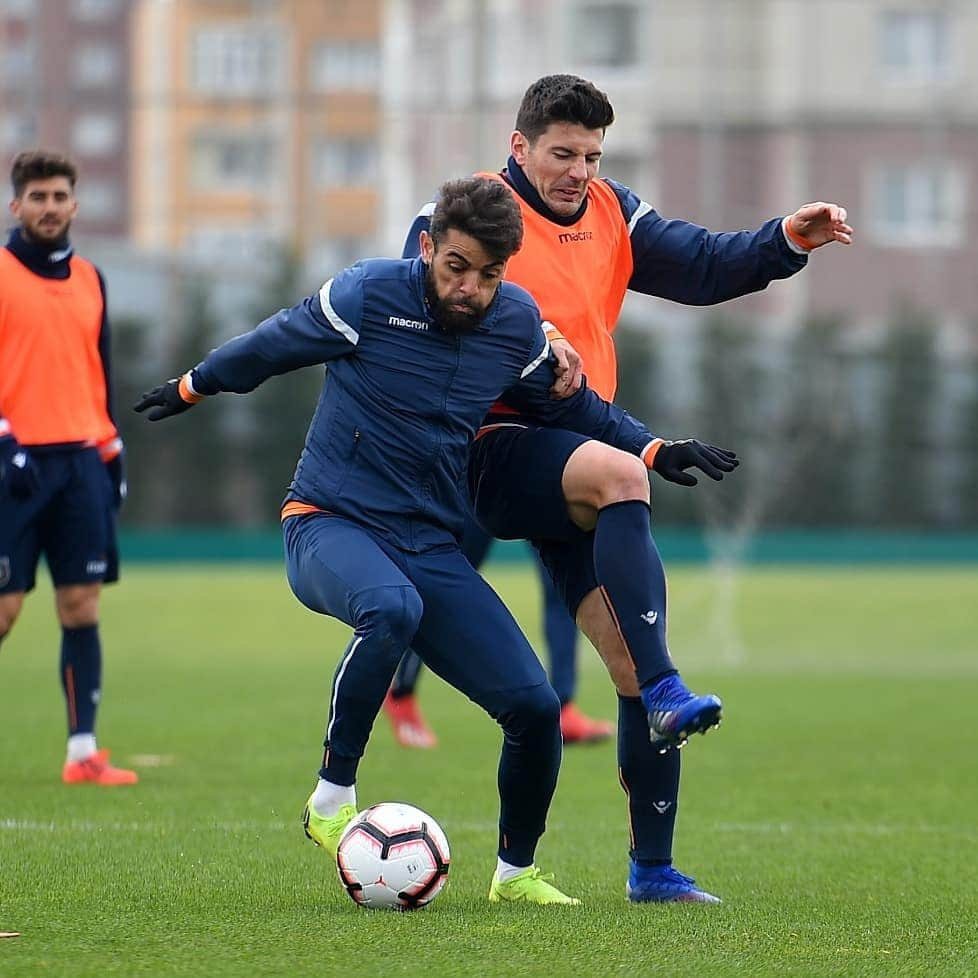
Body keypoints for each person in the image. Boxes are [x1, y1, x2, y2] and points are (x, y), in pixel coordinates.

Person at [135, 176, 735, 905]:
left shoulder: (514, 322)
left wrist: (653, 450)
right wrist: (193, 386)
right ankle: (331, 800)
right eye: (456, 267)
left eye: (488, 275)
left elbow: (577, 404)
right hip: (328, 521)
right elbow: (268, 346)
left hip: (428, 543)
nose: (470, 289)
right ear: (426, 249)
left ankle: (516, 875)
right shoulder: (365, 296)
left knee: (536, 707)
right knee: (389, 610)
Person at [400, 74, 853, 902]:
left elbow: (708, 266)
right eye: (563, 153)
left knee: (634, 669)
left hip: (577, 445)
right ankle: (670, 691)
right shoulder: (468, 219)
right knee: (621, 475)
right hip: (491, 449)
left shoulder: (616, 211)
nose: (579, 170)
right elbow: (429, 317)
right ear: (519, 148)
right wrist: (541, 353)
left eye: (592, 155)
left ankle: (651, 868)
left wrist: (785, 238)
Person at [0, 151, 136, 786]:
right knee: (4, 610)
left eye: (59, 196)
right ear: (16, 206)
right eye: (37, 197)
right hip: (13, 465)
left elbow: (97, 374)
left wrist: (111, 450)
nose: (49, 207)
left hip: (81, 460)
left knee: (80, 607)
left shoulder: (91, 278)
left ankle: (83, 752)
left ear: (75, 204)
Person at [384, 539, 611, 749]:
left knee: (561, 580)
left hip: (537, 496)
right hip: (481, 496)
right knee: (444, 578)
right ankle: (401, 693)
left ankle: (563, 707)